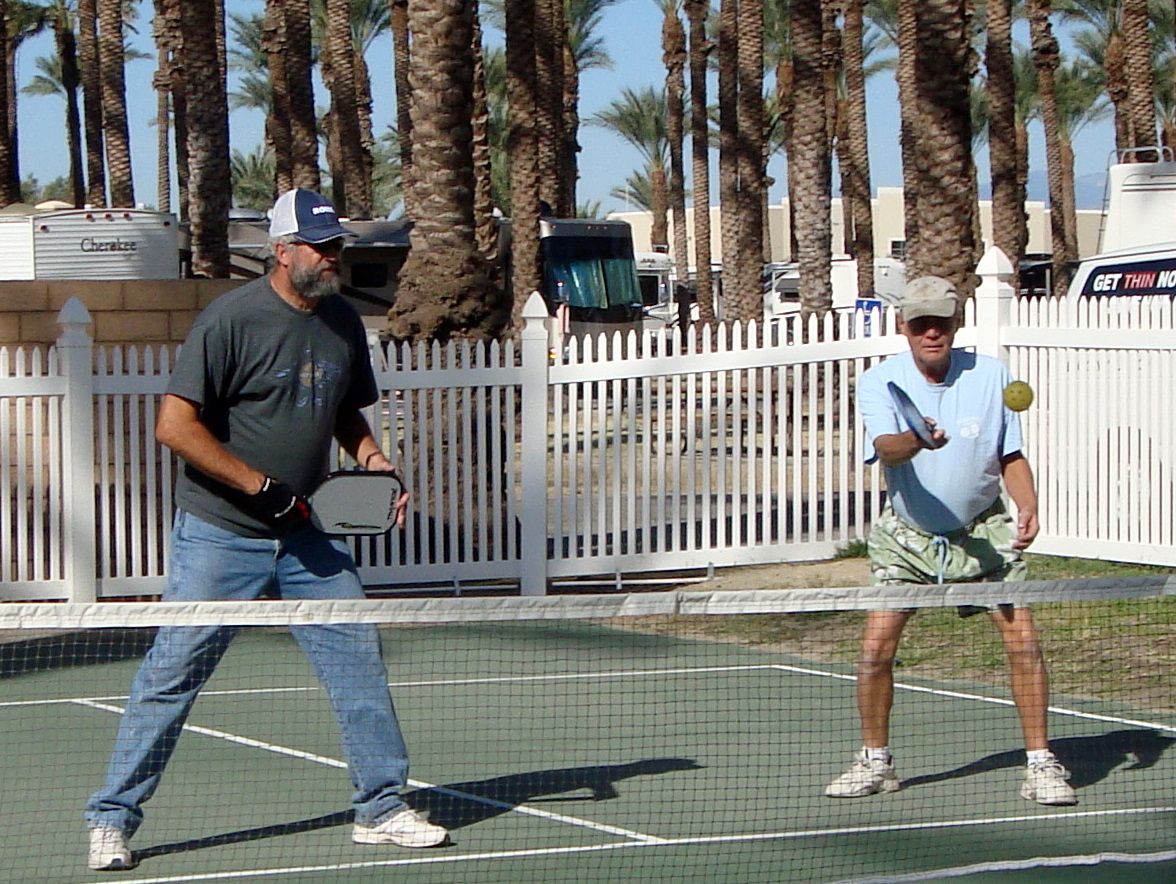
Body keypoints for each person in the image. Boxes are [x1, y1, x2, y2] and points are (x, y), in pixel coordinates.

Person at [84, 188, 448, 872]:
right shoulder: (230, 321)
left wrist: (373, 459)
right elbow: (174, 426)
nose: (332, 255)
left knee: (357, 660)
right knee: (173, 673)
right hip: (220, 532)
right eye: (318, 245)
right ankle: (111, 817)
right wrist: (258, 487)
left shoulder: (342, 321)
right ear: (281, 252)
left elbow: (343, 409)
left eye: (336, 244)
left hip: (309, 533)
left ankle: (380, 807)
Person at [824, 275, 1077, 807]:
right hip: (906, 535)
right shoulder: (879, 382)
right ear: (904, 326)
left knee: (1024, 645)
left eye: (941, 321)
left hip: (985, 530)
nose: (931, 332)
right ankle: (875, 761)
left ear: (956, 323)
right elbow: (887, 450)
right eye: (921, 324)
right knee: (874, 652)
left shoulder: (990, 376)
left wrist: (1027, 505)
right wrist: (916, 439)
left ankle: (1040, 764)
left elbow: (1010, 456)